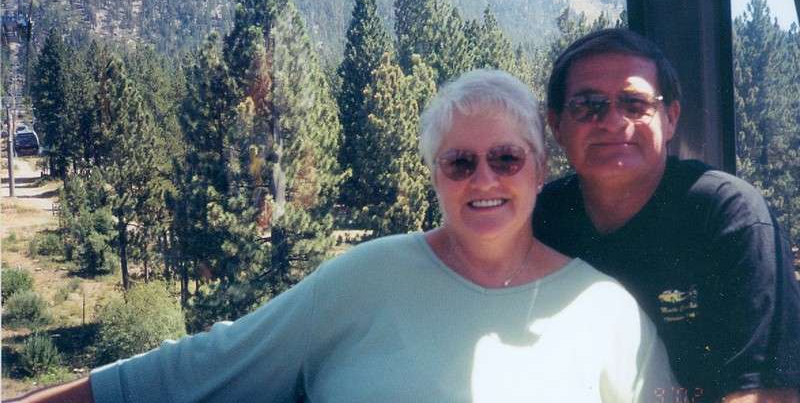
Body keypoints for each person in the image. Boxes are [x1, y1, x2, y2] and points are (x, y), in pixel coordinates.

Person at [8, 69, 674, 403]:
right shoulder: (365, 279)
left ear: (540, 167)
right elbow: (199, 366)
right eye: (459, 162)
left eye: (506, 158)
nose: (484, 179)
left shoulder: (607, 312)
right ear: (434, 175)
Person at [534, 28, 800, 403]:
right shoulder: (538, 220)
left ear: (671, 118)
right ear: (557, 125)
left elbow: (767, 394)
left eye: (634, 104)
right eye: (588, 106)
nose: (613, 121)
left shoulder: (728, 215)